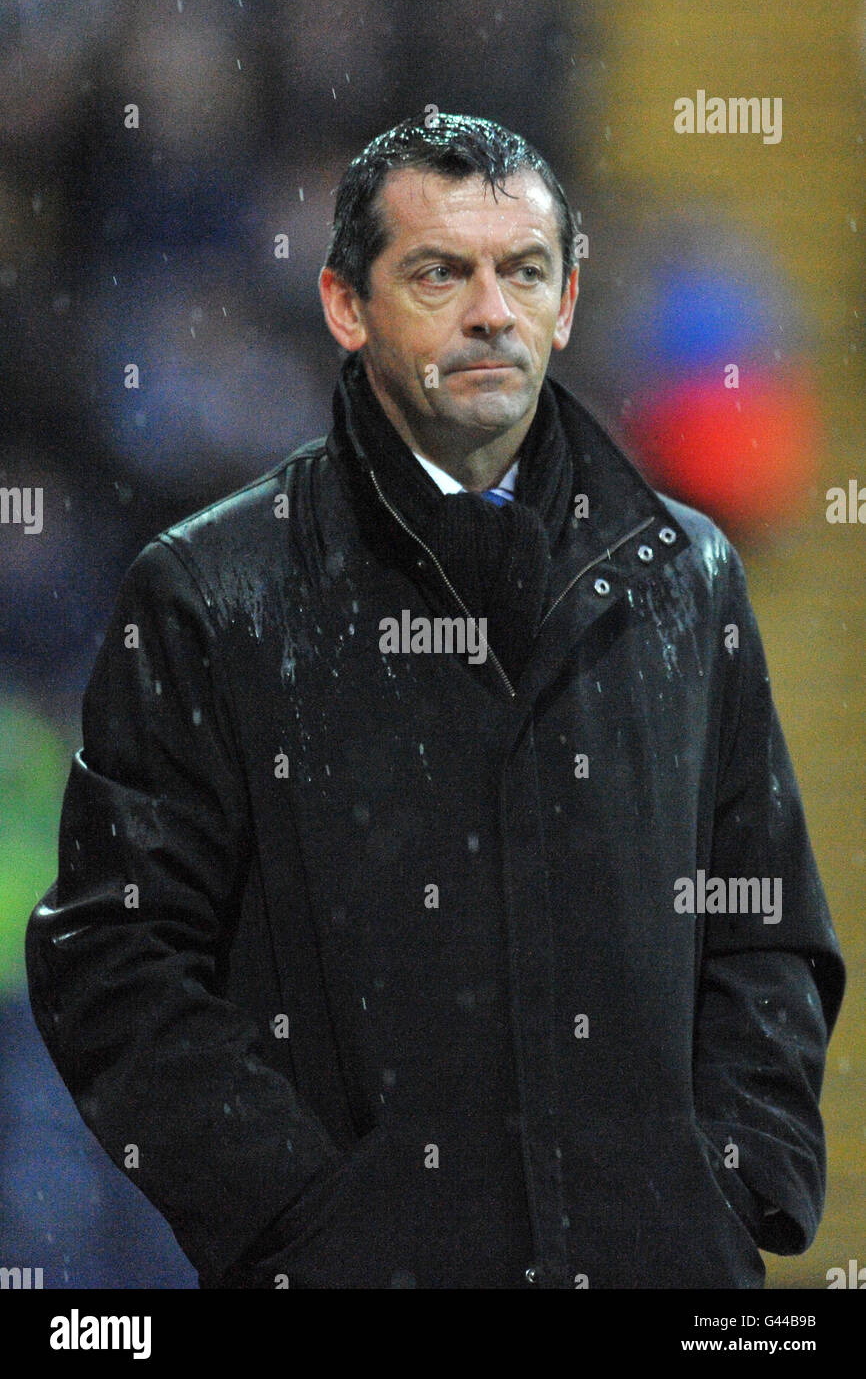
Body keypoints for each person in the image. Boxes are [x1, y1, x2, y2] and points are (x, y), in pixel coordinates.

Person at [26, 113, 845, 1290]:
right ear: (343, 307)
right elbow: (112, 951)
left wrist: (726, 1183)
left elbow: (761, 922)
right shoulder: (213, 591)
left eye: (522, 271)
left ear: (566, 304)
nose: (488, 312)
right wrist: (303, 1217)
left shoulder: (687, 575)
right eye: (437, 272)